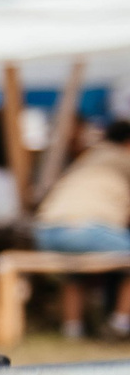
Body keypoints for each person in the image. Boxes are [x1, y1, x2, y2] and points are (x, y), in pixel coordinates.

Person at [33, 116, 130, 338]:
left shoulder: (87, 158)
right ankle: (120, 325)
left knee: (74, 270)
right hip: (87, 229)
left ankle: (72, 329)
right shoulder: (124, 158)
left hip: (47, 231)